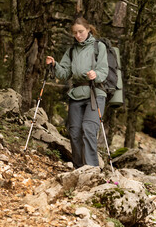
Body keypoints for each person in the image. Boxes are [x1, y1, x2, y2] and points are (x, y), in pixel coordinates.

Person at [45, 16, 109, 169]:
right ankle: (79, 168)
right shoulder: (72, 50)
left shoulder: (98, 47)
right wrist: (55, 65)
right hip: (76, 95)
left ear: (88, 29)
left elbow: (103, 70)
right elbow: (64, 73)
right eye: (75, 33)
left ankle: (92, 170)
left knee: (88, 129)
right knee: (74, 132)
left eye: (81, 31)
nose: (78, 35)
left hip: (95, 93)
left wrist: (96, 75)